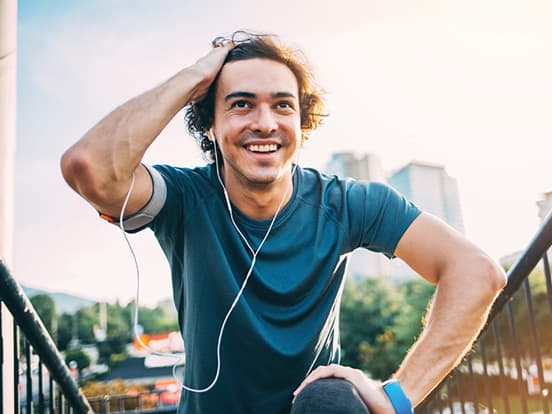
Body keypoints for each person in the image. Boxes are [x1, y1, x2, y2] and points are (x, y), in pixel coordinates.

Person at [60, 31, 506, 414]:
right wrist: (196, 76)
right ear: (210, 125)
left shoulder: (347, 202)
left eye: (282, 105)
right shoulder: (184, 199)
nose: (265, 123)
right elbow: (89, 167)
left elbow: (477, 272)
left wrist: (398, 396)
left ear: (302, 121)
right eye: (240, 104)